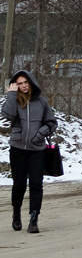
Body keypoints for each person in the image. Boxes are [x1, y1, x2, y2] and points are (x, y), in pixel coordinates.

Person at [2, 70, 57, 234]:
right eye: (19, 83)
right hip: (18, 148)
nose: (23, 86)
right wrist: (11, 95)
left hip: (37, 149)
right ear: (15, 85)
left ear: (31, 82)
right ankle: (16, 214)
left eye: (25, 82)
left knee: (36, 184)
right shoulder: (13, 101)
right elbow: (7, 116)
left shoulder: (41, 102)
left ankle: (34, 218)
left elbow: (52, 123)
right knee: (19, 184)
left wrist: (41, 133)